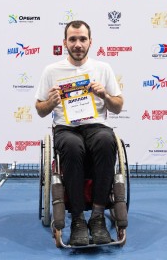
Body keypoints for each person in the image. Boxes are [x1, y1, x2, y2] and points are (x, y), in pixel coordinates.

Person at [35, 20, 123, 246]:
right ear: (64, 42)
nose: (77, 44)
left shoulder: (103, 68)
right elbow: (40, 109)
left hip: (96, 126)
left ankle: (97, 217)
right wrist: (51, 102)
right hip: (66, 127)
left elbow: (117, 106)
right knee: (72, 146)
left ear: (90, 42)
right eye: (72, 39)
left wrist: (105, 95)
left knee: (106, 140)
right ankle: (77, 220)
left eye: (82, 39)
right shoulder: (52, 71)